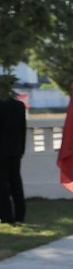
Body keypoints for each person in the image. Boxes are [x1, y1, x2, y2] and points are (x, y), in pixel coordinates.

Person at [0, 74, 26, 225]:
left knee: (2, 184)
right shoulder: (19, 106)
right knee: (16, 181)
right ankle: (20, 214)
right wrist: (21, 149)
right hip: (15, 151)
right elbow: (22, 130)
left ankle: (6, 216)